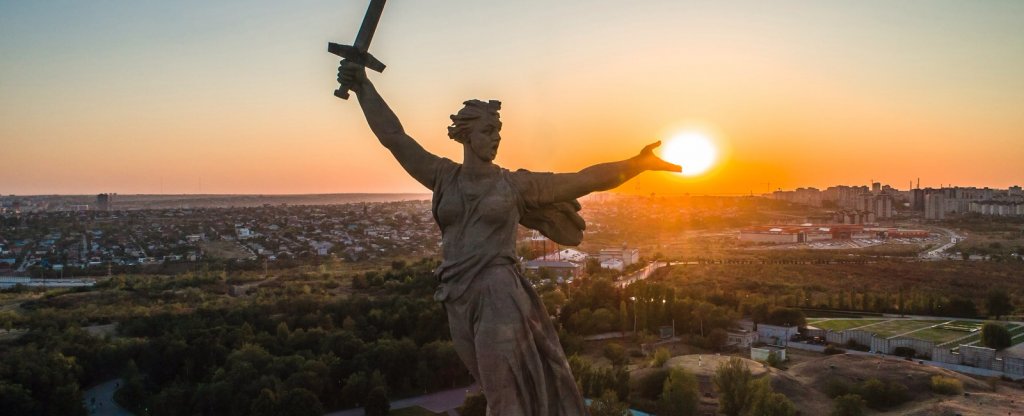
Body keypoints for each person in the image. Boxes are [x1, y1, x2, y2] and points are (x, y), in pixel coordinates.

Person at [338, 61, 680, 415]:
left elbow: (584, 179)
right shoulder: (442, 176)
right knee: (495, 388)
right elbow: (394, 138)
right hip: (456, 294)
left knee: (503, 397)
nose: (496, 138)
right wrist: (363, 87)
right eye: (488, 130)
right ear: (466, 134)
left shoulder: (515, 186)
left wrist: (636, 164)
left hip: (498, 292)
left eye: (499, 131)